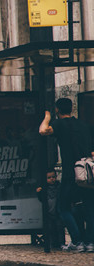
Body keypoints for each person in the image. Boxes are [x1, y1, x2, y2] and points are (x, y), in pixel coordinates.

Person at [38, 97, 94, 252]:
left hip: (71, 172)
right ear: (72, 108)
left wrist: (47, 116)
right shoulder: (84, 125)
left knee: (63, 208)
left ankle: (77, 241)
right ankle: (90, 242)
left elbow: (43, 130)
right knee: (90, 208)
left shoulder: (59, 124)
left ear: (58, 110)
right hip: (87, 173)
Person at [36, 169, 64, 252]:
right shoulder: (44, 188)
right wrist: (39, 192)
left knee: (59, 227)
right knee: (50, 228)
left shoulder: (59, 186)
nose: (52, 179)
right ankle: (51, 243)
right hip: (48, 212)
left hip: (57, 211)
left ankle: (61, 243)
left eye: (53, 177)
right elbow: (41, 199)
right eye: (49, 177)